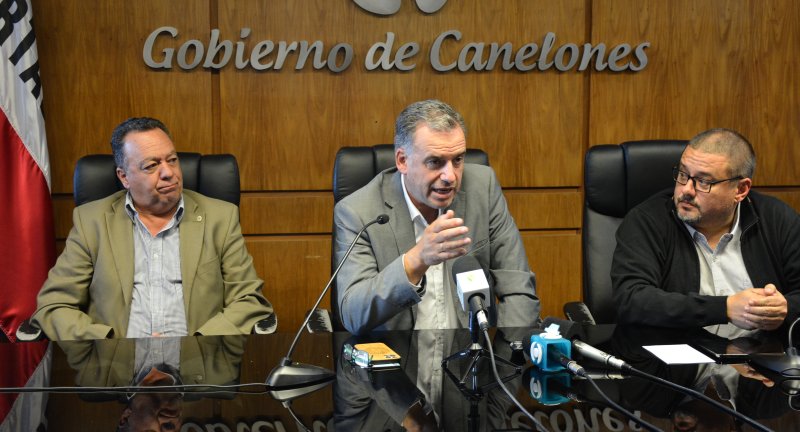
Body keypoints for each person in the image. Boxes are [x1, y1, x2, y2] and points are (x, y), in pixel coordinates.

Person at [32, 117, 273, 340]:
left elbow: (249, 301)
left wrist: (196, 346)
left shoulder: (219, 217)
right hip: (116, 373)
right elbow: (55, 306)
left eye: (172, 160)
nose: (169, 173)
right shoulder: (91, 221)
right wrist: (114, 347)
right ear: (124, 177)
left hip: (199, 371)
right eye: (151, 165)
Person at [333, 99, 540, 335]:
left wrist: (505, 357)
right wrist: (417, 260)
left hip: (472, 361)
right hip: (395, 362)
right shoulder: (358, 211)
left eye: (458, 160)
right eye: (435, 162)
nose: (450, 176)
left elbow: (518, 289)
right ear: (402, 161)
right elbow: (353, 314)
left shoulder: (484, 189)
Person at [612, 128, 800, 334]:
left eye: (703, 181)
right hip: (678, 361)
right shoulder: (647, 221)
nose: (686, 190)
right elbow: (631, 300)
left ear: (740, 190)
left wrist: (784, 309)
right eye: (683, 174)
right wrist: (724, 308)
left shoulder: (776, 219)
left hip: (761, 359)